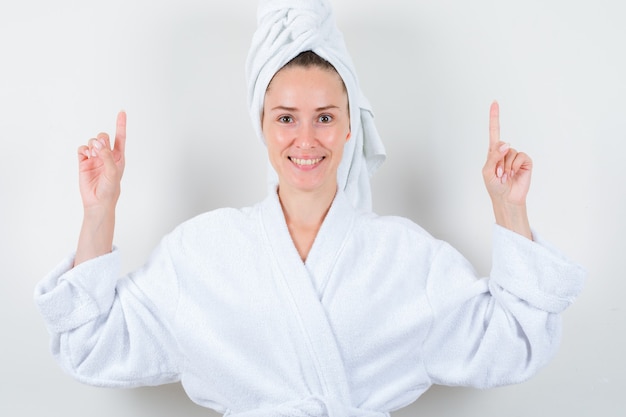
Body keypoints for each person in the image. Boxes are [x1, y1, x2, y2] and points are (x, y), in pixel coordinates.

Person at [34, 1, 585, 416]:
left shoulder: (407, 257)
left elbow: (515, 343)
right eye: (285, 117)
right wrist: (99, 211)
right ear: (262, 126)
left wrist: (508, 209)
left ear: (350, 128)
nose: (306, 138)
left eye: (324, 116)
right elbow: (91, 343)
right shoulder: (200, 253)